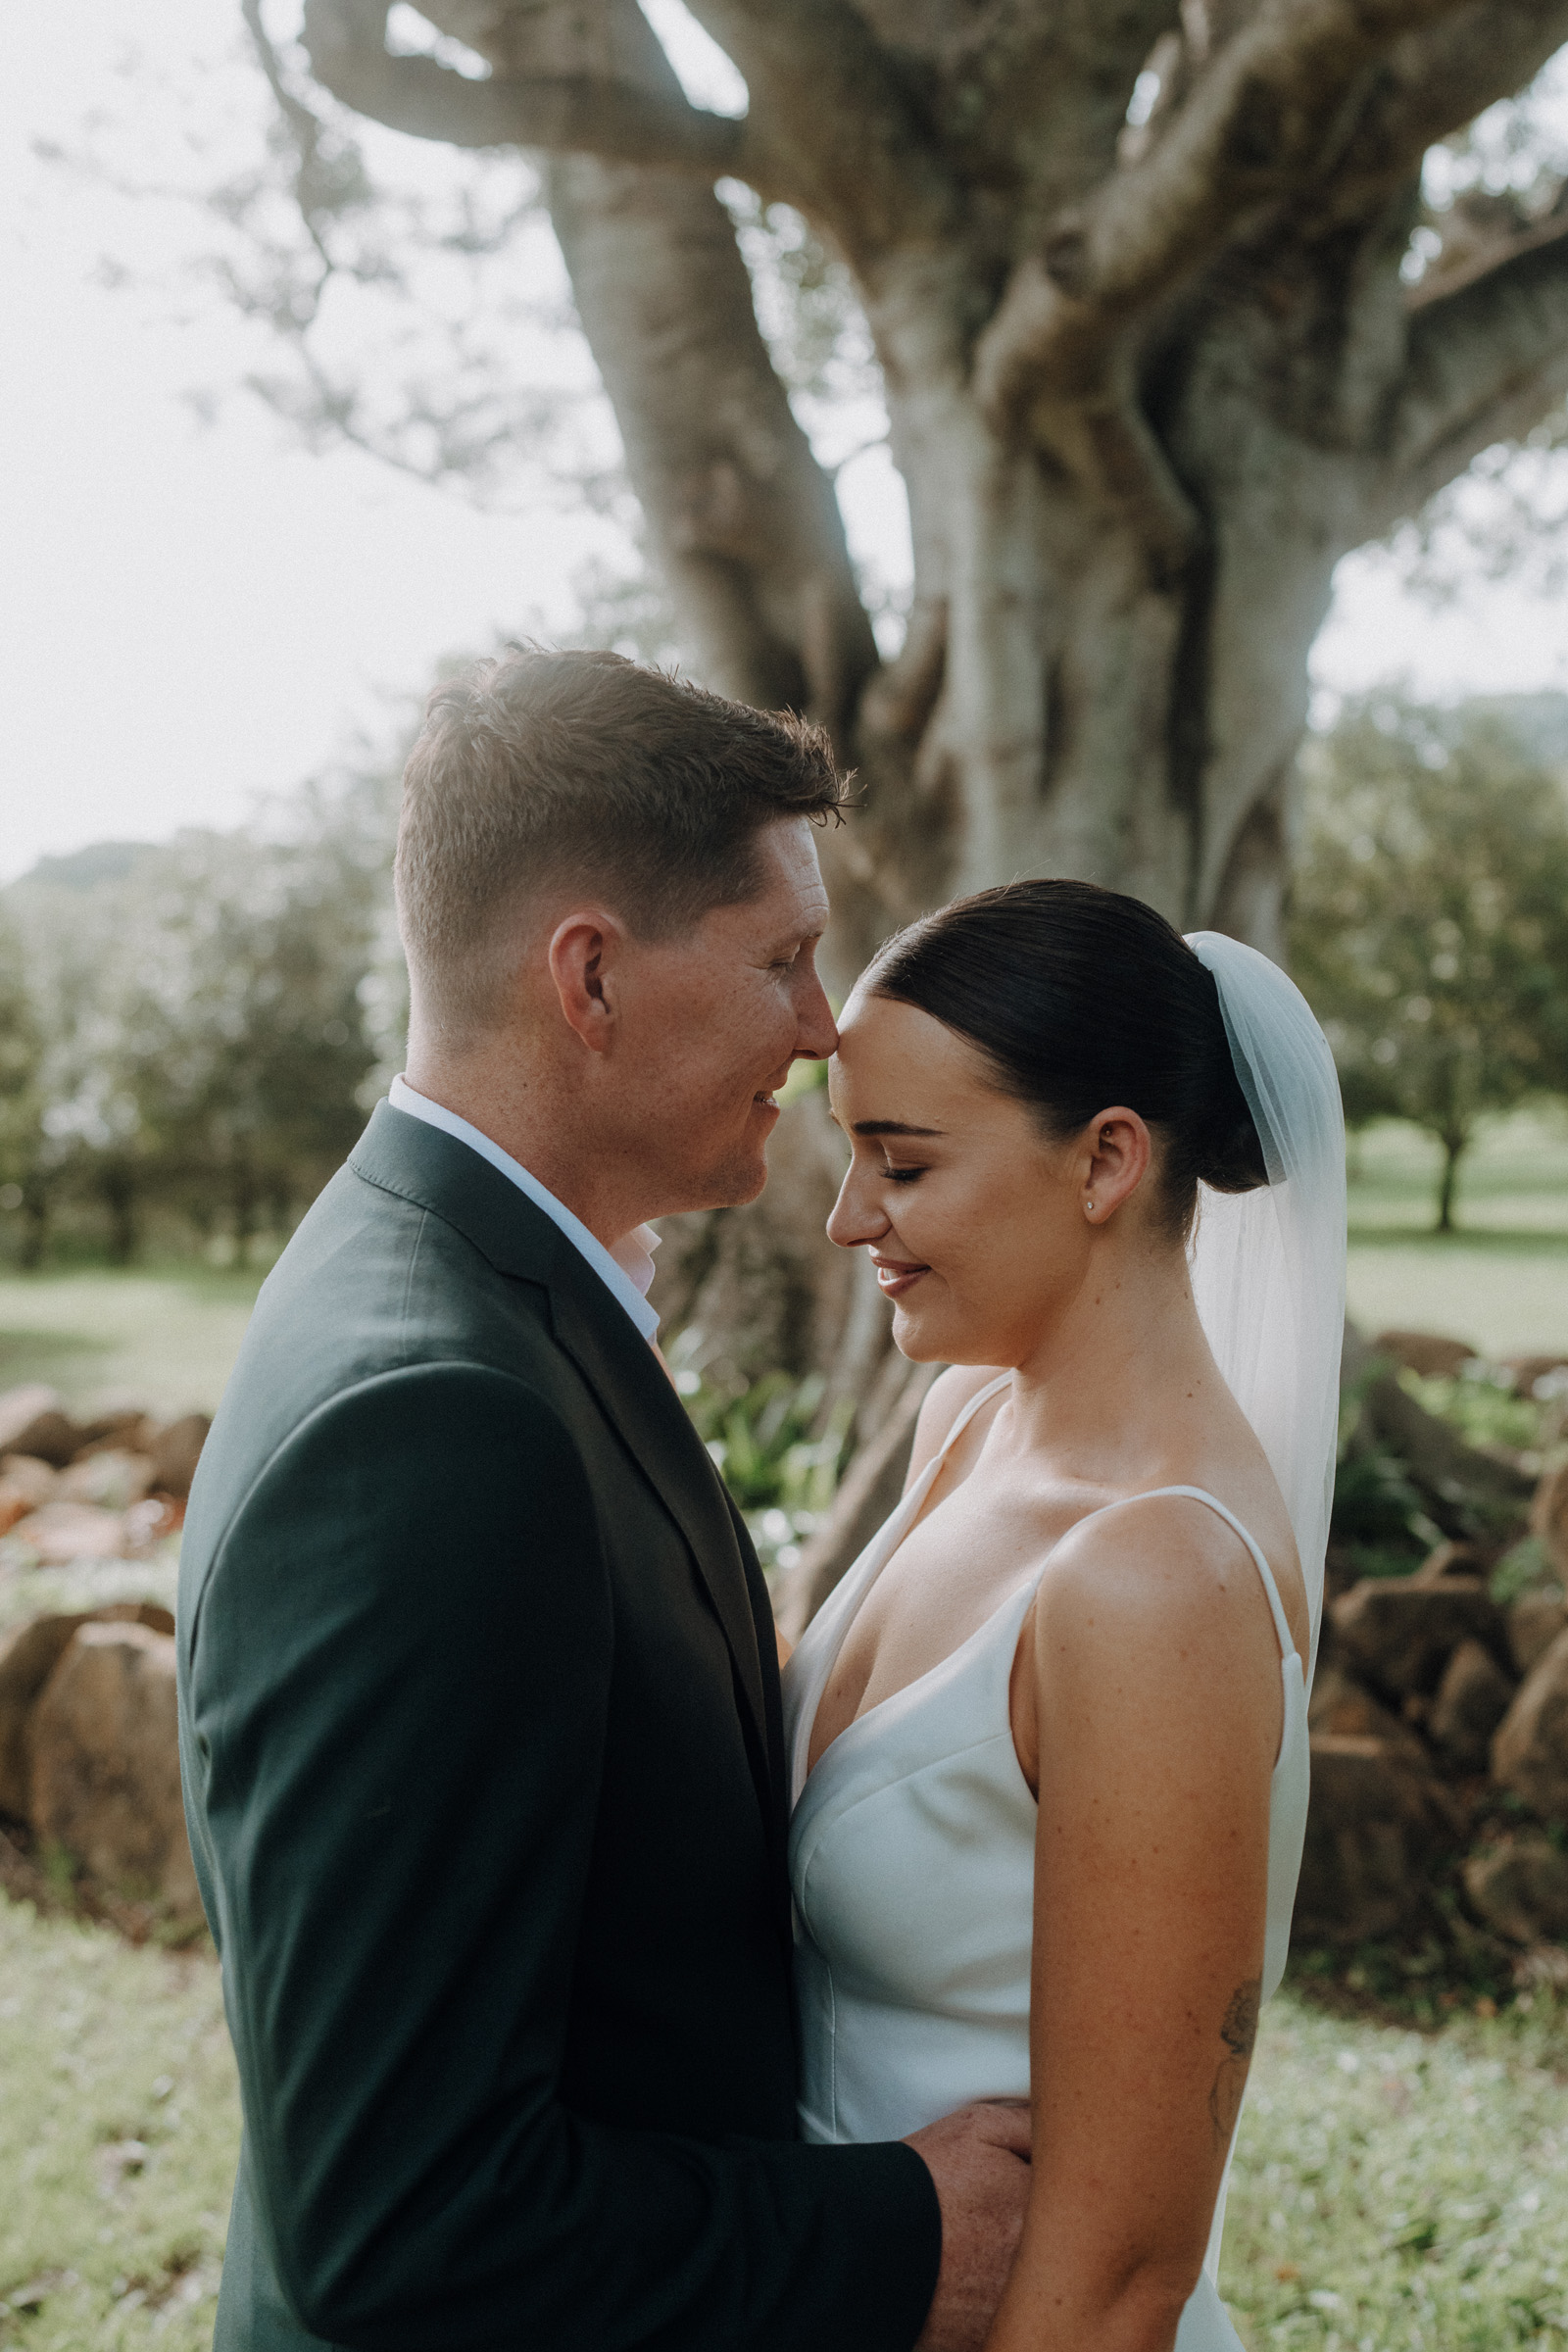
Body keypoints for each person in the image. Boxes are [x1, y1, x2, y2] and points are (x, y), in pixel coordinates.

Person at [175, 650, 1031, 2352]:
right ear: (591, 979)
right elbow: (402, 2220)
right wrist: (896, 2228)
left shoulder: (487, 1289)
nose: (824, 1025)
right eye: (784, 959)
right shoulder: (438, 1421)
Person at [783, 880, 1346, 2352]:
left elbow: (1117, 2282)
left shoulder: (1158, 1584)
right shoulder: (965, 1421)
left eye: (901, 1164)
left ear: (1106, 1161)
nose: (851, 1220)